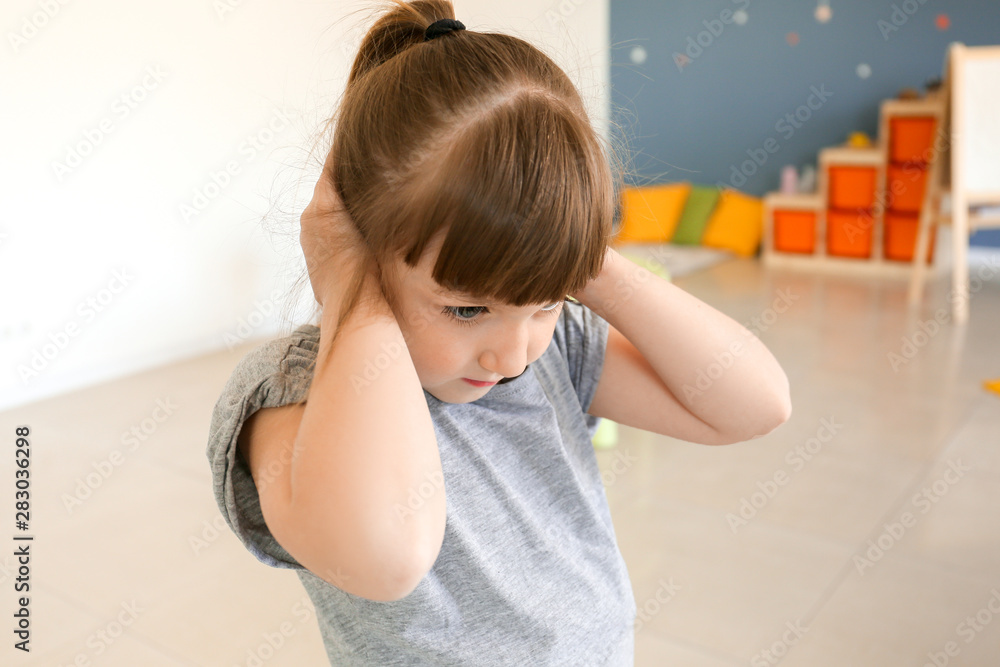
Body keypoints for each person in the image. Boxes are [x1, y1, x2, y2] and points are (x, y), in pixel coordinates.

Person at [206, 1, 792, 664]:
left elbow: (755, 402)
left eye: (544, 302)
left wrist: (574, 252)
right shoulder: (289, 397)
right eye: (465, 310)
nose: (512, 354)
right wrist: (350, 286)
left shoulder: (556, 351)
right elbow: (387, 557)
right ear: (364, 248)